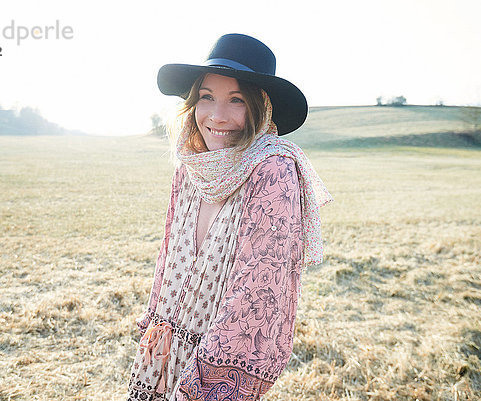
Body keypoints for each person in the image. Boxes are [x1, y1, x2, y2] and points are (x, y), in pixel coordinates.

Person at [127, 33, 332, 401]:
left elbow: (256, 298)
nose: (217, 117)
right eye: (207, 97)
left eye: (236, 100)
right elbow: (168, 256)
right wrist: (154, 337)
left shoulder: (273, 170)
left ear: (260, 108)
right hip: (163, 355)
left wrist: (198, 384)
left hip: (216, 374)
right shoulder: (192, 165)